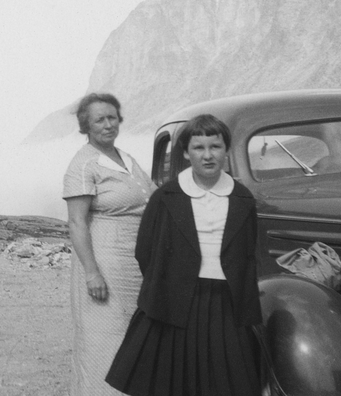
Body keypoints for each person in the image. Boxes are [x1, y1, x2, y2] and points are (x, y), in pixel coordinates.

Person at [105, 114, 263, 396]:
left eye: (215, 147)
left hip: (227, 302)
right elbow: (146, 252)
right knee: (177, 382)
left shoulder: (242, 198)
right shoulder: (166, 197)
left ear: (226, 150)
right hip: (177, 302)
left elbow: (249, 253)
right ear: (187, 154)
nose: (207, 156)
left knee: (228, 382)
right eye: (198, 148)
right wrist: (170, 283)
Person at [63, 93, 156, 396]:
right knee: (104, 338)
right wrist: (92, 272)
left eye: (112, 117)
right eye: (99, 119)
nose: (107, 124)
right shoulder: (83, 164)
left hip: (135, 264)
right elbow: (77, 222)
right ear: (85, 125)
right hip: (105, 262)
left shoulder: (126, 158)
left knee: (134, 335)